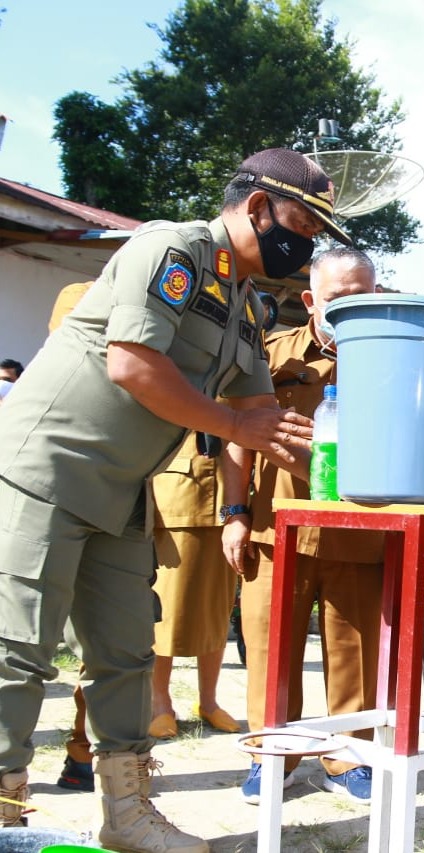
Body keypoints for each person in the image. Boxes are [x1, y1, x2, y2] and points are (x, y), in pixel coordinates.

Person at [0, 147, 349, 852]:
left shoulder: (246, 305)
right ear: (257, 207)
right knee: (18, 648)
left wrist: (369, 480)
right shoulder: (171, 248)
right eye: (303, 225)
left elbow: (262, 411)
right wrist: (235, 425)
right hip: (50, 467)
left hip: (123, 491)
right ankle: (4, 806)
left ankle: (127, 812)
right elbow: (132, 363)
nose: (307, 243)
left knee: (128, 650)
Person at [221, 246, 384, 805]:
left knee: (358, 650)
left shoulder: (393, 360)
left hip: (360, 529)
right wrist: (234, 514)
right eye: (340, 300)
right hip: (276, 527)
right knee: (268, 648)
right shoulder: (270, 353)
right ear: (312, 300)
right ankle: (272, 755)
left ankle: (350, 756)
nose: (353, 310)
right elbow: (237, 438)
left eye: (364, 297)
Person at [148, 432, 241, 740]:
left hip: (229, 497)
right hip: (177, 494)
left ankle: (209, 701)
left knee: (217, 607)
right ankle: (159, 703)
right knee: (167, 610)